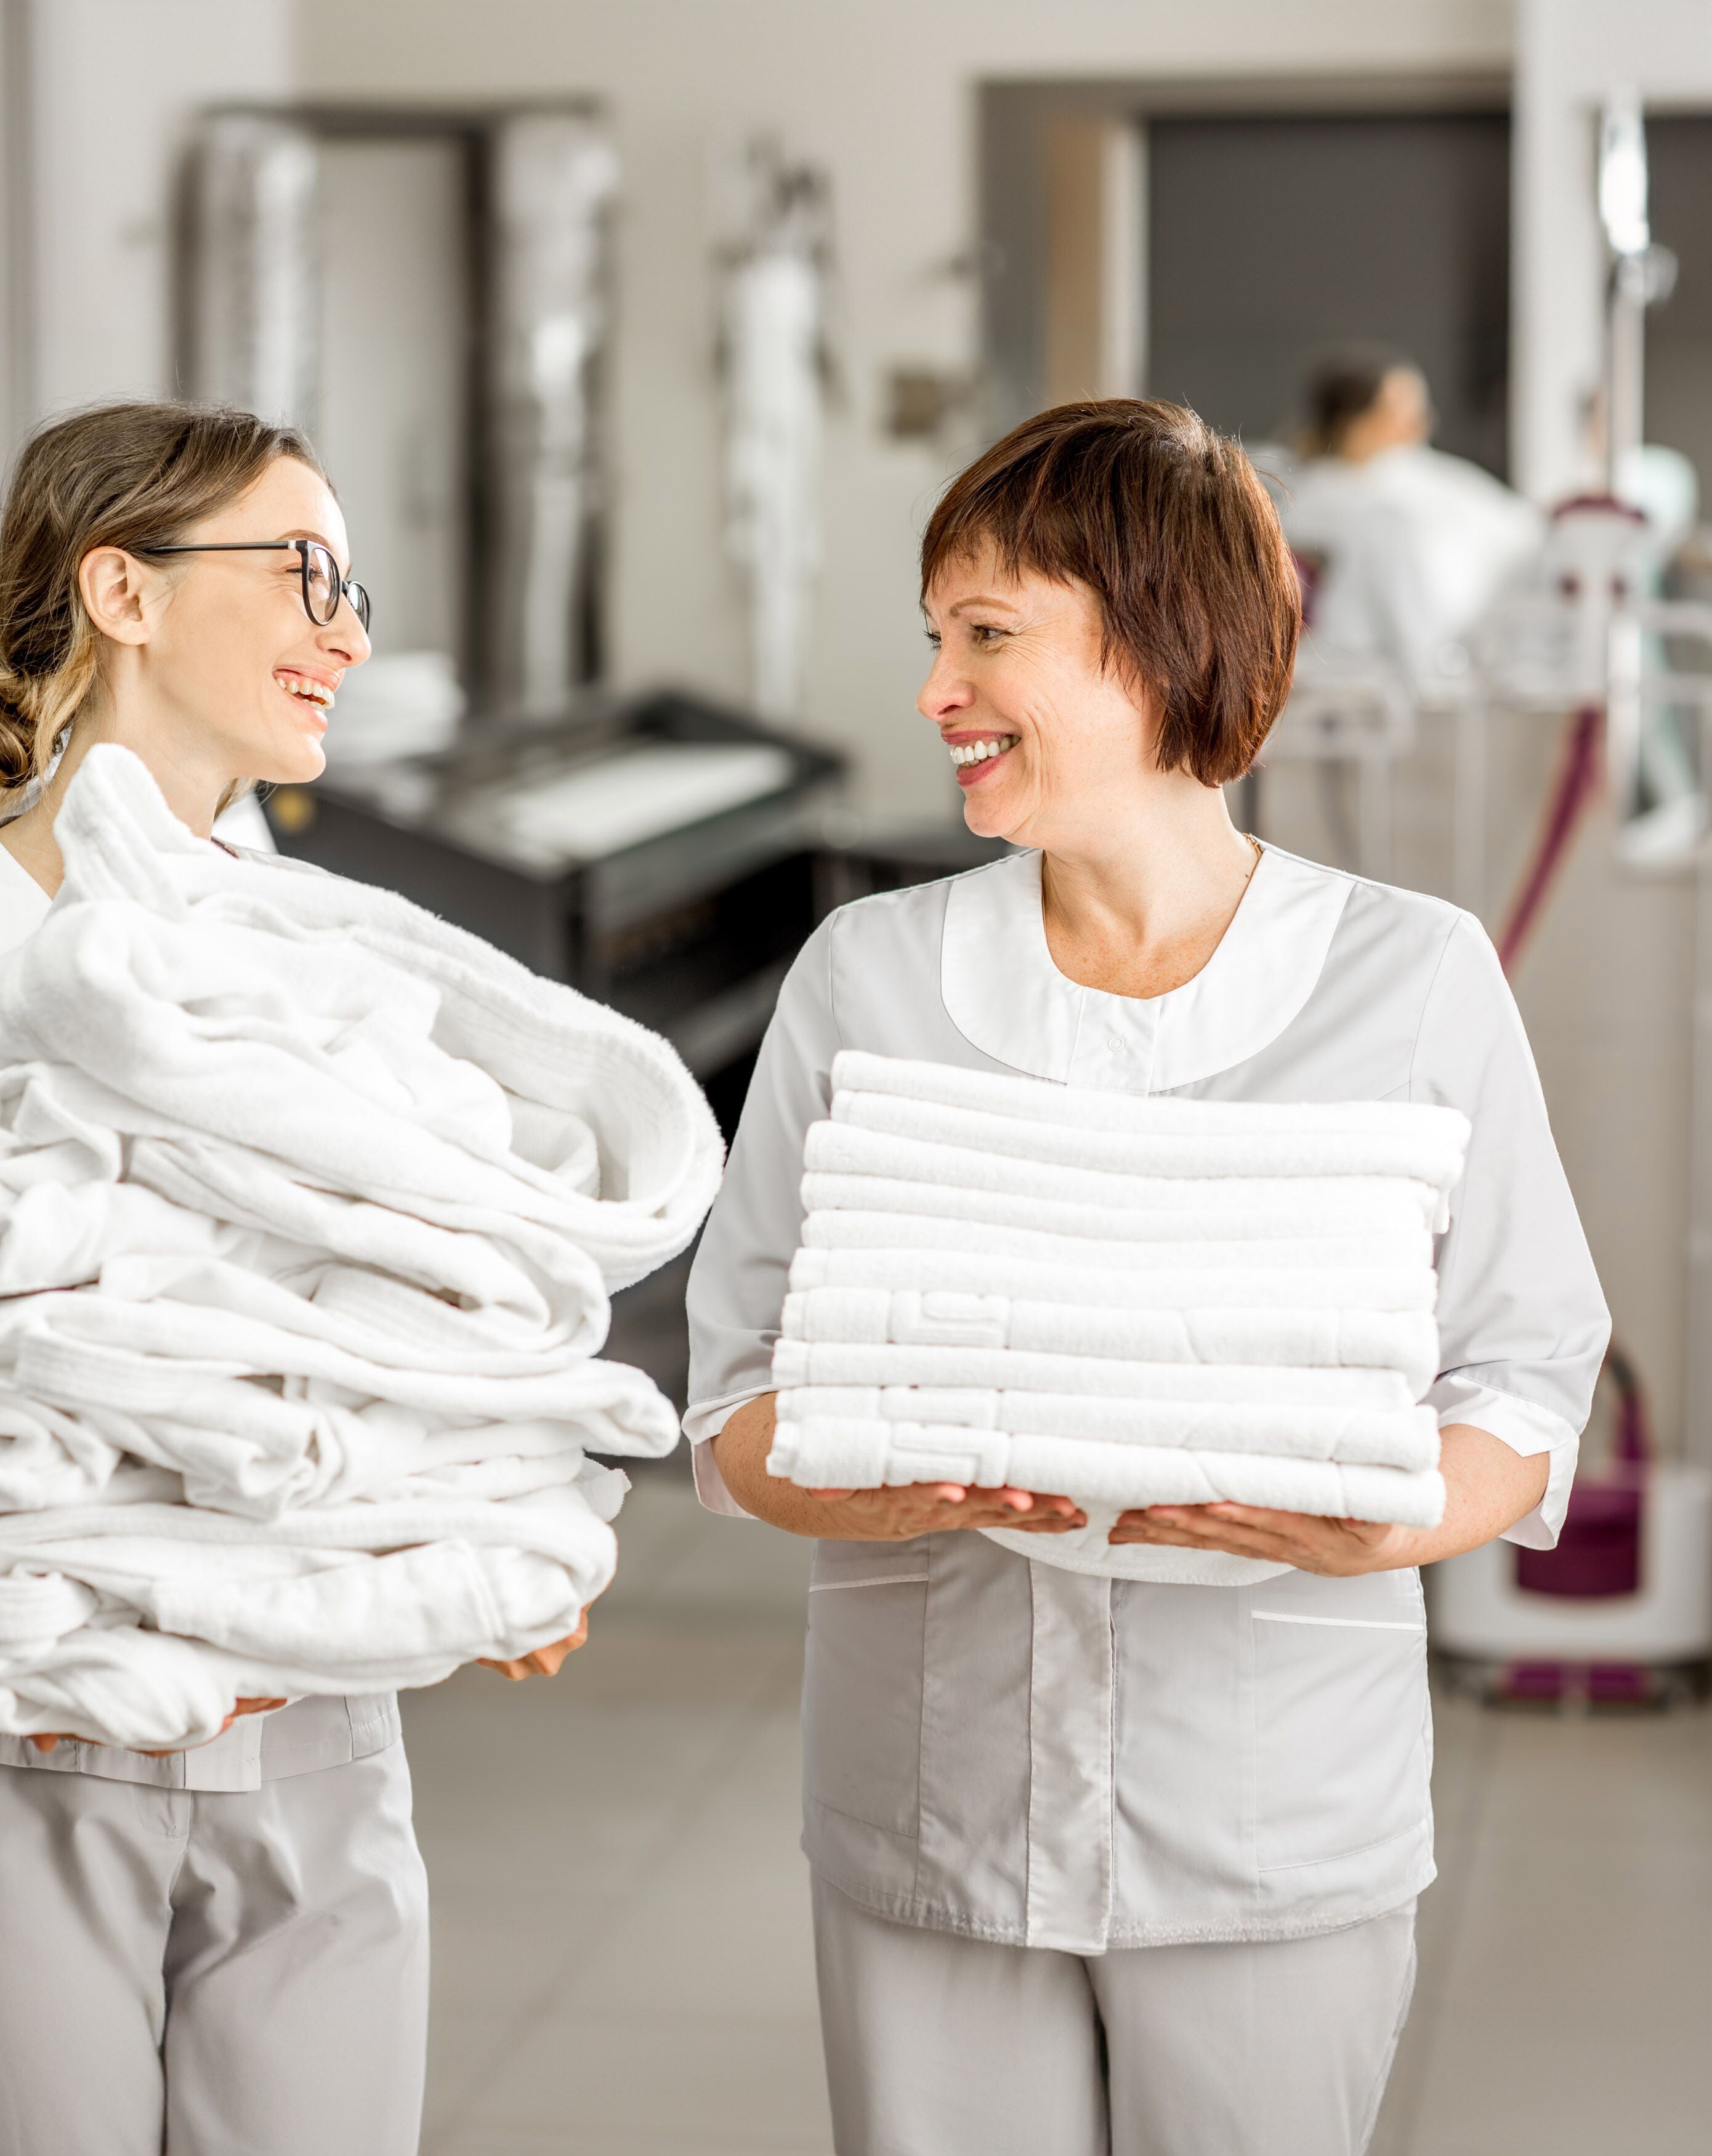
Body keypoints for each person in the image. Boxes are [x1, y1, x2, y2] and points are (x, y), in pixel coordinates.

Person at [682, 399, 1607, 2155]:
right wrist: (869, 1490)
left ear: (1157, 638)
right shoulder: (865, 977)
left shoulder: (1408, 977)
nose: (935, 689)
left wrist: (1383, 1521)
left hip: (1270, 1815)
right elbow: (732, 1390)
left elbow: (1520, 1371)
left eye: (987, 634)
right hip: (929, 1796)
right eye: (934, 636)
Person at [0, 400, 583, 2156]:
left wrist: (470, 1533)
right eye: (303, 572)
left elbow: (398, 1331)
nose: (350, 630)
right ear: (125, 590)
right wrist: (7, 1663)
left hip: (321, 1746)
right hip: (2, 1769)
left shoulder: (320, 954)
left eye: (355, 582)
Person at [1276, 346, 1541, 683]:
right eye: (1400, 413)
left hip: (1339, 681)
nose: (1422, 425)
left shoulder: (1421, 488)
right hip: (1370, 679)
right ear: (1353, 423)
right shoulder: (1383, 507)